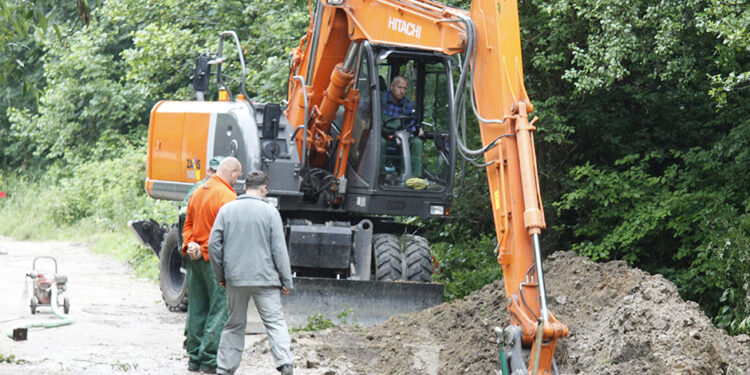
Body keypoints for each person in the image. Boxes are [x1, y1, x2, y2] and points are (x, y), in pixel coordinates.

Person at [208, 170, 294, 375]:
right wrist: (286, 281)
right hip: (266, 280)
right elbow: (279, 250)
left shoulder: (226, 210)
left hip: (235, 279)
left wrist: (220, 275)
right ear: (264, 189)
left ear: (245, 187)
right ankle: (285, 364)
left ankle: (225, 369)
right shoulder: (271, 212)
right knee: (274, 322)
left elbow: (213, 245)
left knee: (234, 324)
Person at [182, 157, 243, 373]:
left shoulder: (198, 192)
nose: (237, 180)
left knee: (197, 308)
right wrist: (205, 249)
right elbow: (225, 234)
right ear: (232, 171)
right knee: (218, 310)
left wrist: (191, 245)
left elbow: (187, 222)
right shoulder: (228, 196)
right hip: (213, 262)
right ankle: (209, 361)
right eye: (237, 175)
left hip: (195, 260)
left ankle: (194, 359)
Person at [381, 75, 423, 179]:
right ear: (391, 86)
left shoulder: (407, 103)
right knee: (379, 143)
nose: (402, 91)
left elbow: (409, 123)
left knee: (416, 142)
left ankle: (414, 178)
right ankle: (380, 176)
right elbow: (363, 112)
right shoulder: (379, 98)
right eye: (399, 87)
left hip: (399, 137)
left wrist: (416, 130)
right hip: (382, 135)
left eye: (404, 88)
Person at [179, 156, 225, 250]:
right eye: (215, 172)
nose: (218, 176)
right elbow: (184, 212)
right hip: (196, 242)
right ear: (209, 171)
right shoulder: (200, 188)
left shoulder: (223, 190)